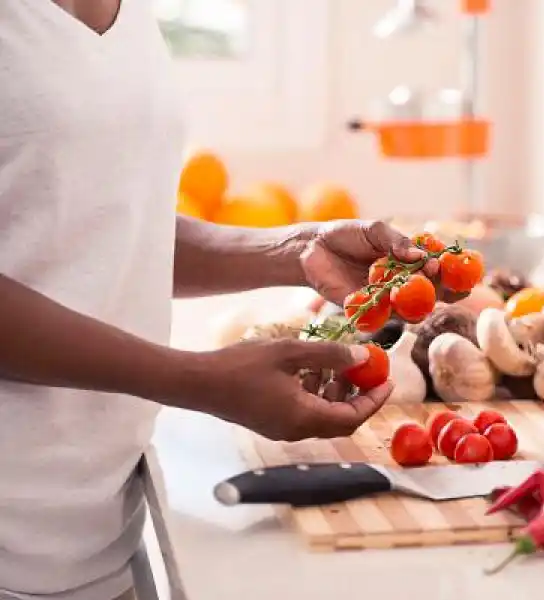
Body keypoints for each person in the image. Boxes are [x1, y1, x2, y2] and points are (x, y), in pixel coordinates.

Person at [0, 1, 447, 599]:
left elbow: (99, 222)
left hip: (95, 531)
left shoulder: (127, 12)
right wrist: (195, 380)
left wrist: (297, 248)